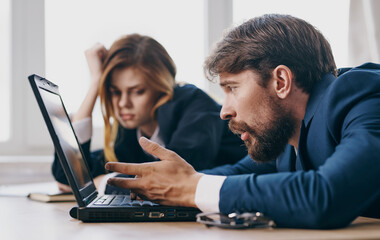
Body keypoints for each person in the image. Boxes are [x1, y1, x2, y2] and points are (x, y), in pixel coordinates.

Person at [104, 14, 380, 229]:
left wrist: (193, 188)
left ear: (280, 82)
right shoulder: (286, 133)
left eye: (232, 88)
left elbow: (328, 195)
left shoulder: (362, 94)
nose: (224, 111)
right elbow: (237, 173)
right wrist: (160, 186)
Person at [52, 34, 247, 193]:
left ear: (161, 89)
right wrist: (95, 82)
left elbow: (172, 177)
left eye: (137, 91)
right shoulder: (130, 128)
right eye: (115, 91)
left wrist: (101, 183)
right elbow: (69, 176)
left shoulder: (196, 106)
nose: (123, 103)